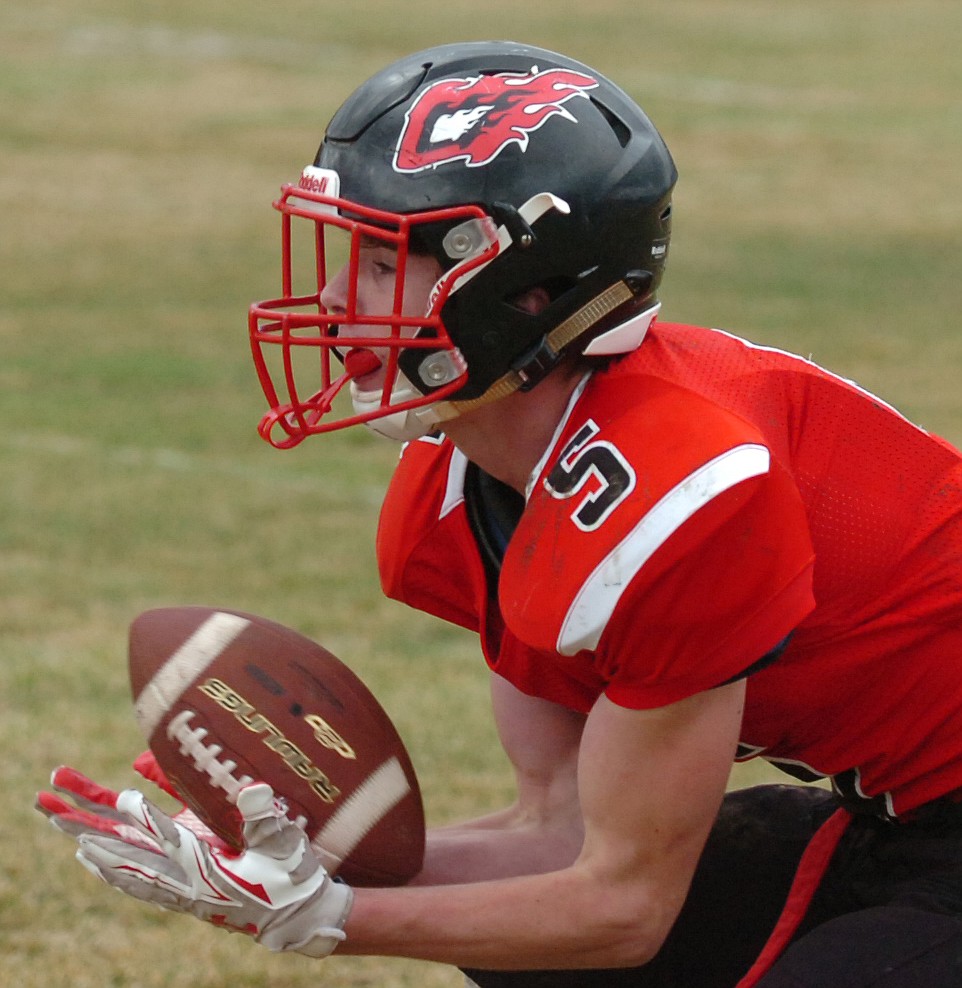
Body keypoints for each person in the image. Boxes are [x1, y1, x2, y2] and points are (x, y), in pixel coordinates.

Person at [38, 40, 962, 987]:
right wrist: (282, 871)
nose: (328, 300)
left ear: (522, 294)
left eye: (378, 259)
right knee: (537, 961)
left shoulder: (679, 489)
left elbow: (619, 909)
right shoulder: (473, 486)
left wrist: (331, 919)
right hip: (901, 816)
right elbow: (558, 833)